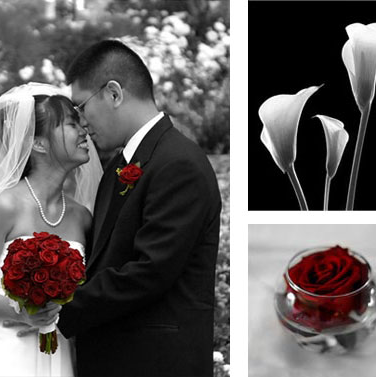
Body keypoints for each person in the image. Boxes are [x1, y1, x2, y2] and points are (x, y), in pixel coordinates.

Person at [57, 39, 222, 377]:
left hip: (156, 362)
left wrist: (60, 308)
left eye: (81, 107)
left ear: (113, 93)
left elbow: (150, 271)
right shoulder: (121, 164)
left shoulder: (178, 164)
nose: (81, 121)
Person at [0, 83, 103, 377]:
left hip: (61, 353)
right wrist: (22, 312)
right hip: (3, 355)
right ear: (39, 143)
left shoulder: (82, 217)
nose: (84, 131)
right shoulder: (5, 206)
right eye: (72, 125)